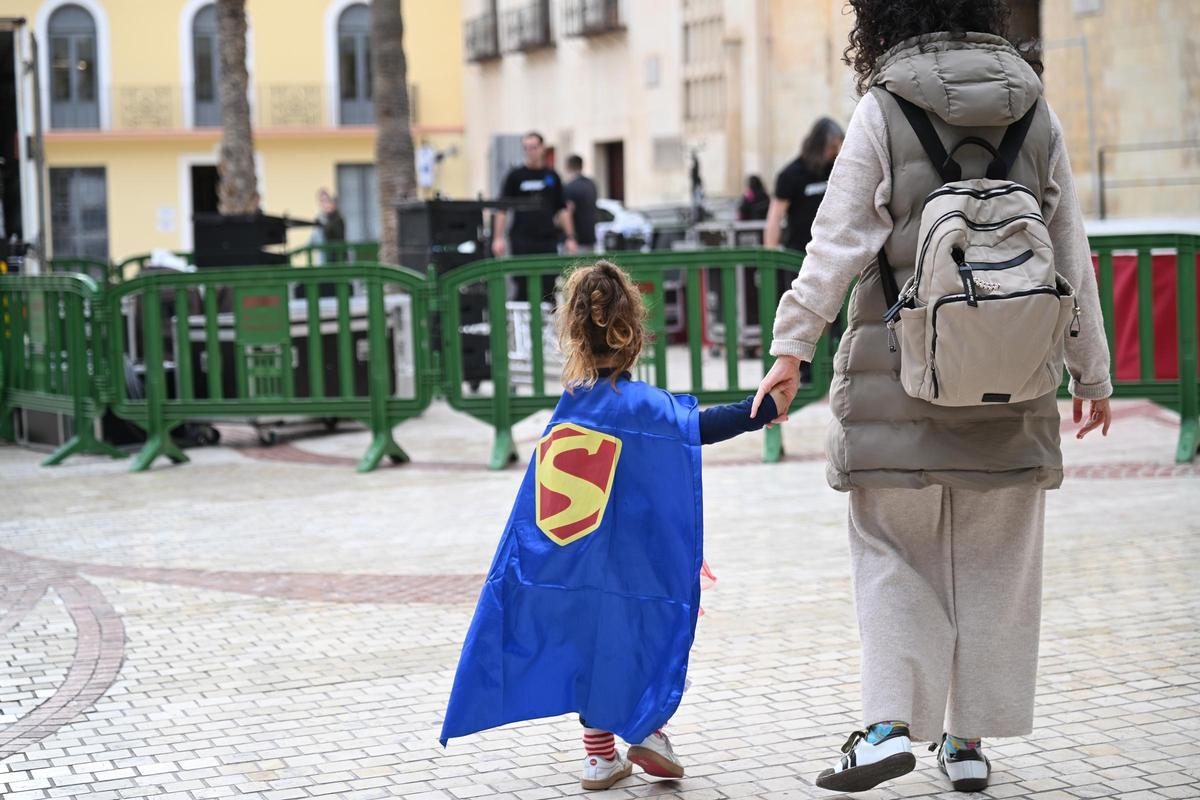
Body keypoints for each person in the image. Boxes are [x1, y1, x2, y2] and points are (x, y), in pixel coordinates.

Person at [752, 1, 1113, 794]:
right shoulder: (1034, 106)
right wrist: (1091, 369)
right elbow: (1069, 247)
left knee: (892, 550)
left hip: (896, 377)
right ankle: (969, 742)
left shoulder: (884, 107)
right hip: (1014, 380)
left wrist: (791, 347)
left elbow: (838, 237)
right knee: (995, 560)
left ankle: (887, 726)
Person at [441, 261, 790, 791]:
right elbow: (700, 427)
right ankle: (648, 730)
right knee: (649, 635)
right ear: (634, 333)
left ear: (574, 334)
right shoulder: (646, 407)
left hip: (573, 567)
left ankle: (600, 757)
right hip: (638, 563)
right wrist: (759, 409)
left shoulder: (569, 410)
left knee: (591, 646)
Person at [492, 132, 578, 301]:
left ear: (542, 148)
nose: (530, 151)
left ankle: (547, 326)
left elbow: (562, 209)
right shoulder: (515, 176)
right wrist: (497, 238)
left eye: (534, 147)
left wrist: (570, 237)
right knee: (522, 285)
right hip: (521, 240)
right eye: (527, 148)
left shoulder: (552, 176)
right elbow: (502, 209)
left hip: (547, 240)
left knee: (548, 286)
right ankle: (524, 326)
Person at [764, 118, 844, 253]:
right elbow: (775, 217)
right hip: (798, 256)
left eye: (838, 147)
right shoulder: (790, 175)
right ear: (819, 146)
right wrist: (770, 257)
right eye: (832, 147)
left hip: (832, 253)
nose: (836, 152)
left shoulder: (836, 170)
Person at [564, 154, 599, 253]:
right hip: (590, 237)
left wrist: (570, 237)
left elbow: (568, 212)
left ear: (568, 167)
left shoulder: (570, 187)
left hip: (575, 241)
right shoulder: (591, 184)